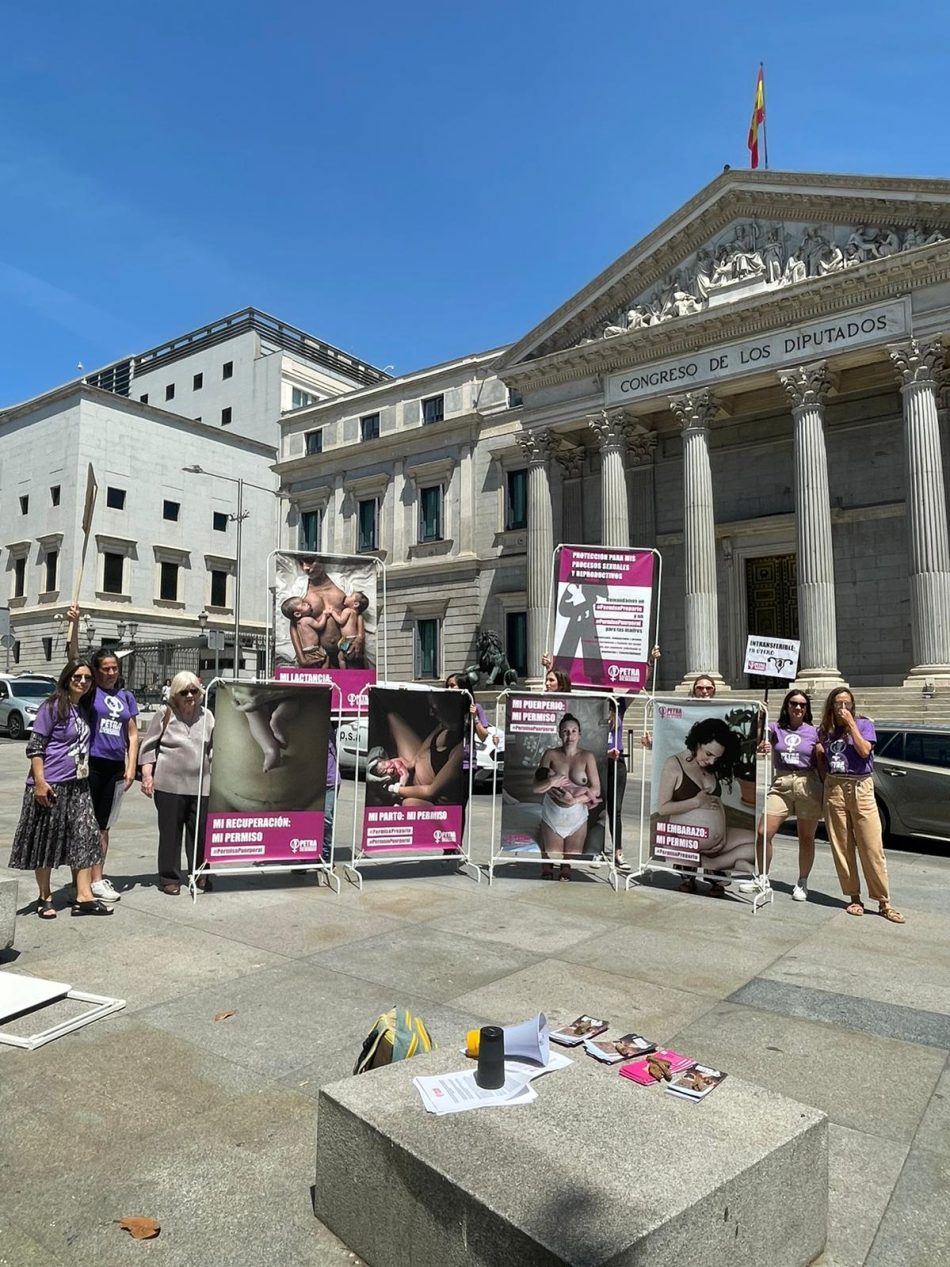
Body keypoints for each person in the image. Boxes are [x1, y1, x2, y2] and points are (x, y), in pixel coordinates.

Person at [7, 660, 113, 917]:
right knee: (46, 841)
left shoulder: (82, 708)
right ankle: (45, 897)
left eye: (88, 678)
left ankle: (83, 896)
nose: (83, 681)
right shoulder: (53, 706)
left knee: (86, 837)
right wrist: (40, 783)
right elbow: (35, 747)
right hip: (51, 785)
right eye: (77, 676)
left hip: (78, 785)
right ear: (67, 678)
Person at [66, 609, 139, 903]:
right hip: (90, 765)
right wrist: (73, 626)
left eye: (114, 668)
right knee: (86, 822)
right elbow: (73, 662)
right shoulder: (90, 692)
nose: (111, 672)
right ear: (96, 671)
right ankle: (82, 878)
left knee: (104, 825)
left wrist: (131, 766)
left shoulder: (126, 697)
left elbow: (132, 734)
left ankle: (98, 878)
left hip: (114, 767)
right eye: (105, 668)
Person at [817, 687, 904, 923]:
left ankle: (883, 901)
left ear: (853, 706)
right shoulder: (825, 731)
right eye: (837, 704)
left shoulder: (864, 724)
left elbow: (865, 751)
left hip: (860, 786)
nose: (842, 708)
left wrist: (851, 726)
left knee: (871, 846)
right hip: (835, 786)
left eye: (847, 703)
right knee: (842, 846)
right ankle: (853, 897)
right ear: (831, 707)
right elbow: (823, 759)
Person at [653, 716, 756, 893]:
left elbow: (718, 803)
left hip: (714, 841)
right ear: (697, 743)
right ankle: (698, 874)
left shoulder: (711, 767)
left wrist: (722, 833)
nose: (711, 761)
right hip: (685, 840)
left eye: (717, 757)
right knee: (685, 857)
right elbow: (663, 808)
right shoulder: (674, 765)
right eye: (708, 754)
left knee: (756, 844)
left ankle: (714, 865)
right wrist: (696, 802)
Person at [742, 690, 823, 901]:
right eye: (794, 703)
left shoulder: (814, 731)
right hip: (782, 782)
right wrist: (760, 718)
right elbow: (756, 738)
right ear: (787, 706)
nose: (798, 708)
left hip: (808, 782)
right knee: (763, 832)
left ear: (807, 709)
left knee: (806, 837)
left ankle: (802, 882)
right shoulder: (775, 727)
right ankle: (762, 877)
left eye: (803, 705)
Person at [139, 671, 214, 895]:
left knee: (200, 833)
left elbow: (214, 749)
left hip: (201, 785)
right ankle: (169, 877)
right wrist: (147, 775)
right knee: (170, 834)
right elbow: (148, 746)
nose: (190, 696)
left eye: (194, 691)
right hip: (169, 785)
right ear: (175, 695)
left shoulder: (207, 716)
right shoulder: (165, 713)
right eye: (184, 692)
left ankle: (201, 873)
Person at [532, 713, 602, 881]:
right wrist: (552, 780)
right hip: (553, 811)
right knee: (553, 853)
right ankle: (546, 861)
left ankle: (566, 866)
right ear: (559, 734)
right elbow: (536, 787)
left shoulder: (587, 757)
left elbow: (596, 789)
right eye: (565, 731)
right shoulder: (550, 754)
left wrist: (575, 800)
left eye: (573, 731)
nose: (569, 735)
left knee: (571, 855)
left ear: (579, 734)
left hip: (576, 812)